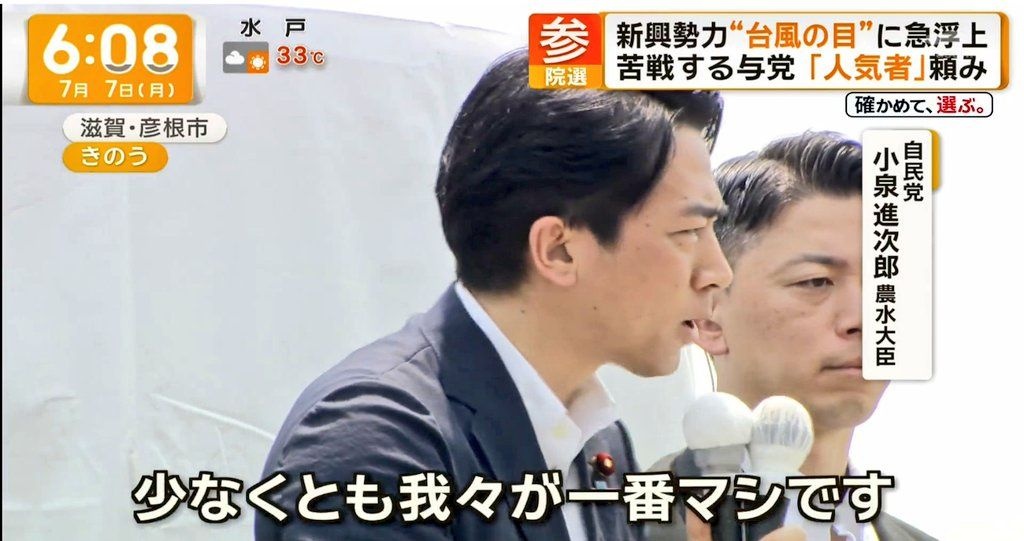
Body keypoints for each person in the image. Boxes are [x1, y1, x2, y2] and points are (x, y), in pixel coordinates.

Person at [253, 46, 771, 540]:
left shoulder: (596, 439)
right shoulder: (377, 439)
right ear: (559, 250)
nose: (718, 271)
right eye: (688, 232)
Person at [649, 131, 935, 541]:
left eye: (883, 288)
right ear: (708, 318)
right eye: (815, 282)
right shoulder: (610, 527)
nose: (863, 319)